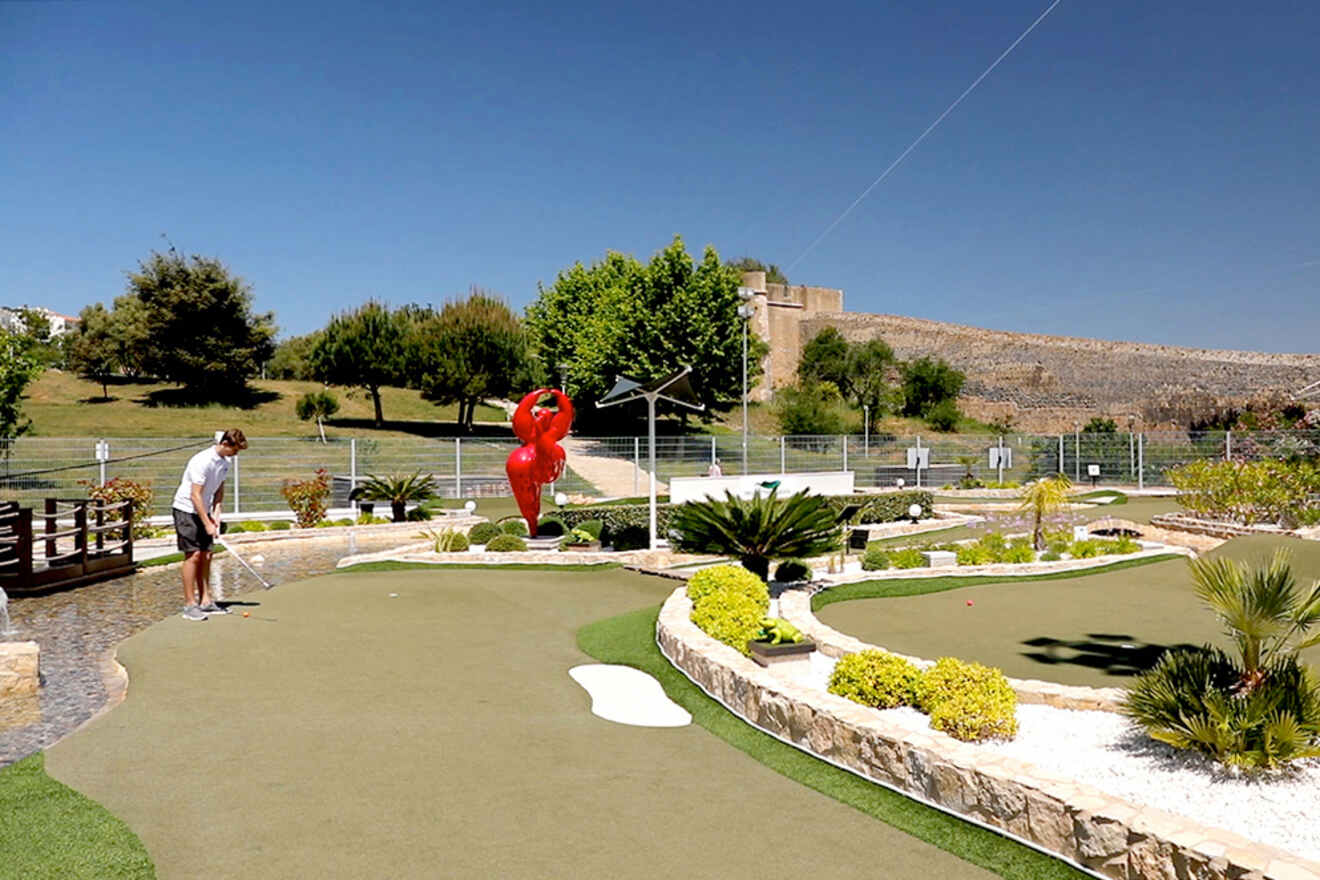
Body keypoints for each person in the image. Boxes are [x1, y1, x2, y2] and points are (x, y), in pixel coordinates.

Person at [172, 429, 247, 621]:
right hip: (186, 510)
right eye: (235, 450)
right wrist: (206, 523)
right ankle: (189, 605)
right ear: (224, 444)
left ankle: (206, 601)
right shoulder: (202, 461)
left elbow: (219, 488)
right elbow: (194, 495)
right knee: (194, 555)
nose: (236, 454)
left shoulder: (225, 461)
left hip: (203, 510)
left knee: (207, 554)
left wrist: (216, 514)